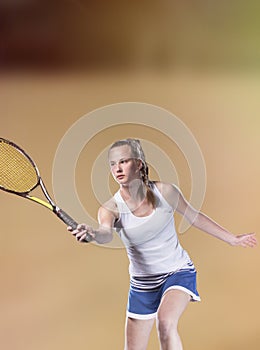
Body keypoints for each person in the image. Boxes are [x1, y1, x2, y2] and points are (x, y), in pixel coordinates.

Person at [69, 138, 257, 350]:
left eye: (123, 161)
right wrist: (93, 234)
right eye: (113, 163)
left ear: (139, 163)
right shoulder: (110, 208)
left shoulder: (165, 192)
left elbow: (194, 217)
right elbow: (105, 233)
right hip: (142, 285)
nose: (117, 168)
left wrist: (232, 239)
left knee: (166, 323)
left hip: (177, 272)